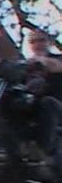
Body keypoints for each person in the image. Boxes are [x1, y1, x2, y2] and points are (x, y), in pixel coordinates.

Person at [27, 31, 62, 160]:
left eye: (41, 40)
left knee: (48, 103)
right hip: (32, 106)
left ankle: (44, 152)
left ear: (49, 42)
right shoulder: (24, 65)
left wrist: (41, 61)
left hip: (58, 106)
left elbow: (56, 66)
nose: (37, 44)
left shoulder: (57, 58)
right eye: (33, 41)